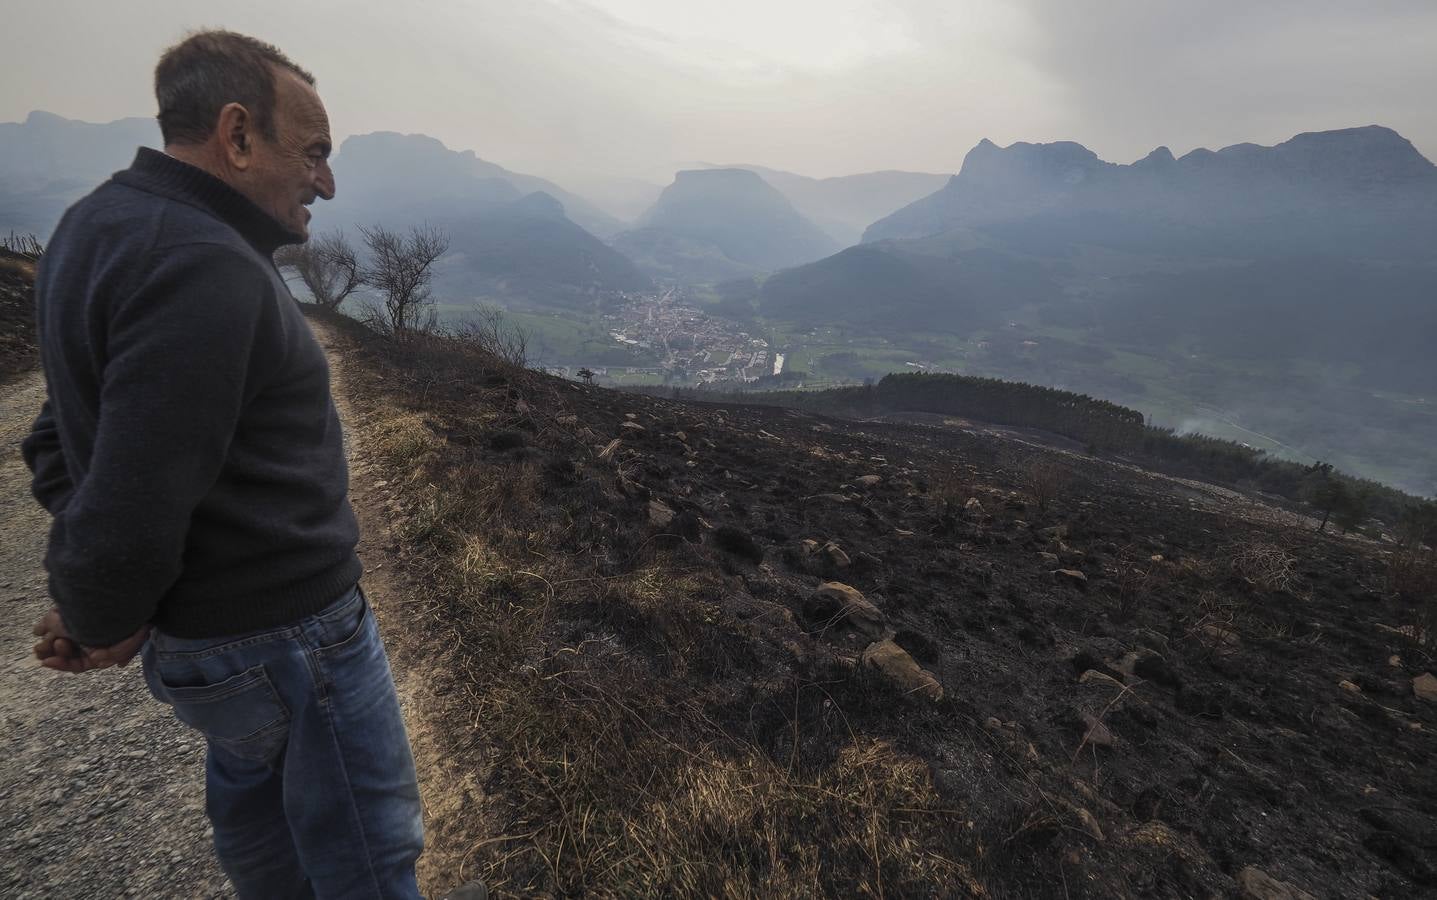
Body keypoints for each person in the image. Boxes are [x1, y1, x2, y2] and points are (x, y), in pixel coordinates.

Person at [22, 29, 482, 900]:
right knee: (369, 853)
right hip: (290, 637)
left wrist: (111, 598)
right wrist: (101, 607)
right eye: (312, 153)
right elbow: (132, 488)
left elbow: (62, 434)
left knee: (260, 822)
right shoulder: (203, 264)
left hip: (215, 646)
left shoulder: (94, 226)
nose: (326, 182)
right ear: (237, 136)